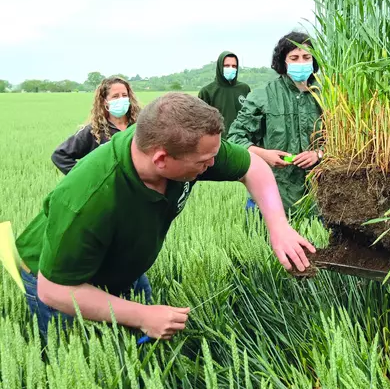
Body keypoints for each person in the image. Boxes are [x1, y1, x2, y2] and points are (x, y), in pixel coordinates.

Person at [16, 93, 314, 340]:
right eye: (204, 161)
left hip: (123, 265)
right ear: (161, 160)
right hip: (63, 278)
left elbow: (252, 166)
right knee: (82, 356)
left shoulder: (189, 145)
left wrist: (279, 227)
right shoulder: (88, 198)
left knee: (143, 352)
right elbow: (54, 289)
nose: (214, 164)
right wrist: (143, 315)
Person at [228, 31, 323, 214]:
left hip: (318, 198)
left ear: (314, 60)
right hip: (272, 193)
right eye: (294, 58)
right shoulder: (263, 95)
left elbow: (345, 144)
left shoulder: (328, 96)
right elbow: (234, 138)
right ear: (283, 61)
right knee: (263, 242)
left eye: (306, 57)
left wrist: (318, 154)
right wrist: (264, 154)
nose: (301, 62)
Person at [51, 76, 140, 174]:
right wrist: (87, 176)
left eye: (124, 95)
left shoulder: (139, 127)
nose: (121, 99)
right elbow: (60, 155)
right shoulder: (94, 130)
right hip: (109, 188)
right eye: (115, 96)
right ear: (104, 101)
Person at [197, 51, 251, 132]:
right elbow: (200, 123)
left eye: (234, 66)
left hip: (241, 140)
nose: (231, 68)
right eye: (226, 66)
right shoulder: (207, 92)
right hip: (219, 141)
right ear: (219, 67)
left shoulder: (244, 89)